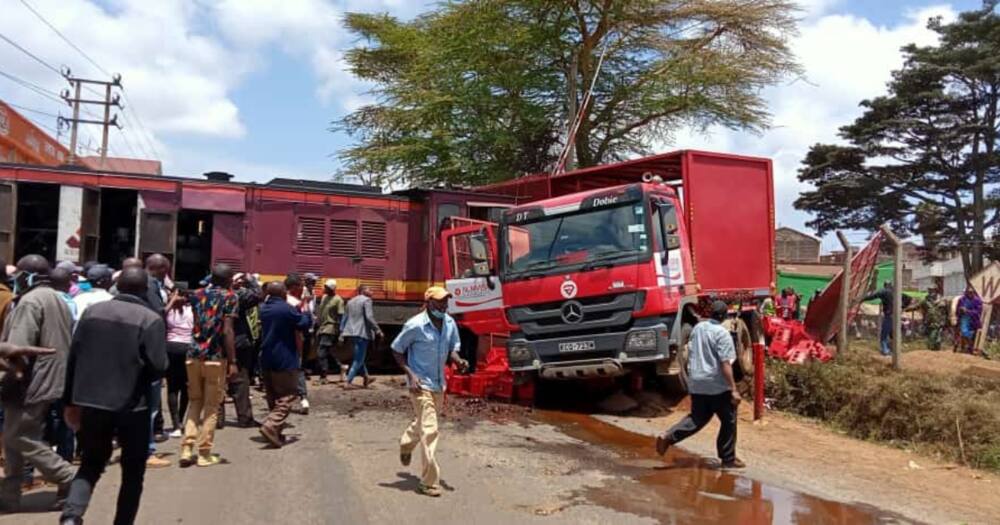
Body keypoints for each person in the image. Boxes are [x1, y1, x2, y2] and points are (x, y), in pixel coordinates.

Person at [60, 267, 168, 525]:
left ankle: (71, 517)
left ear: (117, 288)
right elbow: (159, 366)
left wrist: (69, 402)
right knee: (133, 473)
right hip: (133, 407)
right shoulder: (150, 319)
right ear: (145, 290)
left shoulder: (91, 313)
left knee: (90, 463)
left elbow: (73, 358)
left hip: (92, 404)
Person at [0, 255, 76, 512]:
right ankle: (9, 495)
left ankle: (66, 475)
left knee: (18, 435)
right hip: (50, 378)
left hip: (30, 381)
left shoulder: (30, 302)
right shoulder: (58, 298)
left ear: (28, 275)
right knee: (14, 440)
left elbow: (18, 348)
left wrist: (9, 373)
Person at [392, 286, 468, 497]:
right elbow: (397, 350)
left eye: (446, 302)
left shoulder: (450, 323)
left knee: (423, 421)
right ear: (429, 303)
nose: (444, 305)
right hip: (420, 385)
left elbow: (453, 348)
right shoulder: (415, 325)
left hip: (438, 384)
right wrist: (411, 374)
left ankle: (406, 443)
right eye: (440, 302)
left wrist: (459, 361)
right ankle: (427, 482)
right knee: (430, 429)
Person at [656, 300, 745, 470]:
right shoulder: (722, 334)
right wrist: (733, 389)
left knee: (697, 418)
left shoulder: (698, 328)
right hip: (717, 384)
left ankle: (668, 436)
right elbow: (725, 363)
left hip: (697, 382)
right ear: (724, 316)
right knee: (729, 420)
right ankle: (728, 459)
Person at [181, 263, 238, 467]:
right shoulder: (230, 297)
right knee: (212, 407)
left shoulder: (196, 294)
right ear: (228, 280)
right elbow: (227, 331)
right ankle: (204, 453)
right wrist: (233, 362)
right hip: (215, 357)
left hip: (193, 354)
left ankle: (186, 449)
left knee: (194, 401)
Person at [258, 282, 312, 448]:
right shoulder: (285, 309)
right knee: (288, 395)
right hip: (284, 358)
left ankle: (276, 433)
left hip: (266, 358)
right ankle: (271, 424)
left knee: (273, 396)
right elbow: (304, 324)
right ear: (282, 293)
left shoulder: (264, 308)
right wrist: (306, 308)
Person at [225, 273, 261, 428]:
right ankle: (244, 417)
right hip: (237, 342)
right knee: (240, 380)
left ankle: (217, 418)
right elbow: (257, 295)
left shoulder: (205, 295)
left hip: (213, 344)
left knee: (217, 382)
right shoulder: (236, 297)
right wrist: (250, 279)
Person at [165, 287, 193, 438]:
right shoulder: (193, 309)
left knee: (172, 387)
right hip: (187, 348)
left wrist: (171, 301)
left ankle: (176, 424)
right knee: (186, 386)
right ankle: (181, 420)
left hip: (170, 348)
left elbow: (159, 315)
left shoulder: (168, 309)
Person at [342, 284, 383, 388]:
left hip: (350, 332)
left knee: (359, 357)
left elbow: (344, 317)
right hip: (361, 333)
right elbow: (369, 317)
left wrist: (341, 332)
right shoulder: (367, 301)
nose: (372, 291)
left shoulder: (350, 301)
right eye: (370, 289)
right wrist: (377, 330)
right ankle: (348, 381)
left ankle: (366, 377)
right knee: (358, 359)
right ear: (363, 291)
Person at [283, 273, 310, 413]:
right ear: (294, 287)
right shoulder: (296, 303)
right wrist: (305, 303)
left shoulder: (274, 300)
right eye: (300, 286)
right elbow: (304, 322)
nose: (302, 288)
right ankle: (303, 398)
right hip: (294, 339)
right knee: (297, 369)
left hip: (277, 341)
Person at [314, 279, 346, 384]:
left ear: (332, 289)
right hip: (322, 328)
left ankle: (323, 376)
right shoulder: (324, 298)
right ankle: (341, 367)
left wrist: (341, 332)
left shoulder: (338, 300)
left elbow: (341, 317)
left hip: (330, 328)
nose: (324, 289)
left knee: (321, 352)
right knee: (326, 352)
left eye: (327, 287)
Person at [863, 282, 895, 356]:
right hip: (895, 316)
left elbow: (874, 295)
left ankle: (885, 351)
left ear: (885, 286)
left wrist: (863, 299)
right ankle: (892, 351)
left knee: (883, 335)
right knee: (892, 335)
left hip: (888, 315)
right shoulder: (894, 293)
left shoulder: (884, 291)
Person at [957, 285, 983, 355]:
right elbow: (958, 309)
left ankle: (971, 349)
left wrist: (967, 311)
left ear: (974, 292)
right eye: (968, 292)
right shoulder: (962, 300)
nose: (969, 294)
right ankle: (965, 348)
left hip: (973, 321)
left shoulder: (977, 301)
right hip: (964, 320)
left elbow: (978, 312)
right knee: (965, 333)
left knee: (972, 336)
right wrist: (961, 311)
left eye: (971, 292)